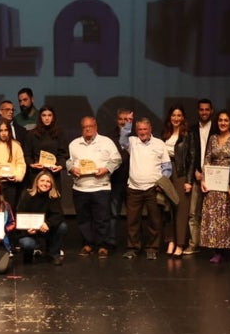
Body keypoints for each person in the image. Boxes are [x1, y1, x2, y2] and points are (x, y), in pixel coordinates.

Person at [66, 115, 121, 258]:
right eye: (84, 127)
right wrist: (72, 169)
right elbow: (68, 161)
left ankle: (103, 246)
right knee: (84, 219)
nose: (87, 129)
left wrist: (106, 169)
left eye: (90, 126)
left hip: (101, 186)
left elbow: (117, 159)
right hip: (80, 187)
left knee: (102, 218)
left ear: (96, 127)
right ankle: (88, 244)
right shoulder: (74, 144)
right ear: (81, 129)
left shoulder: (106, 142)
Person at [122, 116, 170, 261]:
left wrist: (162, 183)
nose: (142, 132)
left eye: (145, 129)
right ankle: (133, 248)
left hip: (152, 188)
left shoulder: (159, 144)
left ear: (150, 129)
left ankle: (152, 248)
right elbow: (122, 139)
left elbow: (167, 167)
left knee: (154, 221)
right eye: (139, 129)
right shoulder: (132, 142)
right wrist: (128, 123)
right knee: (132, 220)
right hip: (134, 188)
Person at [197, 109, 230, 266]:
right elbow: (207, 159)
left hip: (229, 183)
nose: (222, 123)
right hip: (214, 183)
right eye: (220, 120)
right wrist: (203, 180)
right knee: (215, 218)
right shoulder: (213, 138)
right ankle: (217, 251)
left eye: (226, 120)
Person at [160, 105, 195, 257]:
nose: (176, 118)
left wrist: (189, 180)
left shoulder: (188, 134)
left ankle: (180, 243)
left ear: (183, 118)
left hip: (181, 173)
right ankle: (171, 241)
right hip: (166, 172)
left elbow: (192, 158)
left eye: (179, 115)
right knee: (168, 208)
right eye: (173, 115)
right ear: (170, 117)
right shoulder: (164, 134)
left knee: (181, 209)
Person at [14, 169, 67, 265]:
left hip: (45, 229)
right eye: (42, 180)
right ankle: (28, 255)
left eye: (48, 181)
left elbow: (58, 215)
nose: (45, 183)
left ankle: (53, 254)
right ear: (37, 182)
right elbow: (20, 214)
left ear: (51, 184)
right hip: (28, 230)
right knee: (28, 244)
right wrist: (27, 229)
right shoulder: (27, 194)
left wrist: (48, 224)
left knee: (62, 226)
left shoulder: (54, 196)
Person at [187, 98, 215, 255]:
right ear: (198, 111)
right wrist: (195, 172)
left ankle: (212, 247)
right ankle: (194, 244)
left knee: (212, 214)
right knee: (193, 213)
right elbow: (190, 155)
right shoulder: (191, 130)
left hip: (215, 178)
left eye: (207, 109)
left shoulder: (218, 129)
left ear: (211, 111)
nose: (204, 112)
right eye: (201, 109)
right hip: (197, 175)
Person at [22, 105, 68, 192]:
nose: (47, 118)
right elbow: (27, 155)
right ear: (40, 117)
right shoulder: (32, 134)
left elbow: (64, 154)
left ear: (53, 117)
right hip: (37, 173)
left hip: (53, 174)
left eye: (49, 115)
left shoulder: (59, 134)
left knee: (54, 201)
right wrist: (32, 164)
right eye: (44, 115)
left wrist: (60, 166)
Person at [108, 106, 134, 244]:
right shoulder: (109, 136)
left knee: (133, 216)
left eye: (126, 119)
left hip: (133, 180)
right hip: (116, 180)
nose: (123, 122)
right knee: (113, 213)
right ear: (116, 120)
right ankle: (111, 242)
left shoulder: (136, 134)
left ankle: (133, 243)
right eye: (121, 119)